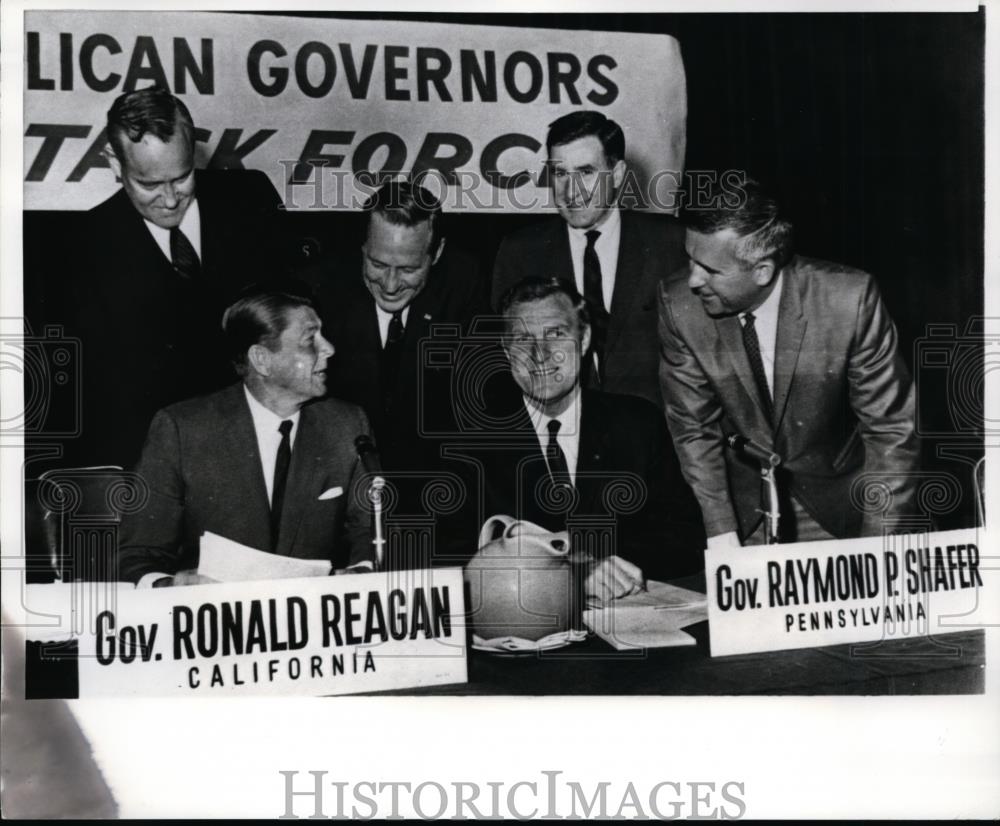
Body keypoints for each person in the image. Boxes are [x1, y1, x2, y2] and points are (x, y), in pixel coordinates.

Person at [658, 176, 920, 547]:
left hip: (840, 504)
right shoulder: (679, 305)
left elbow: (891, 430)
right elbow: (693, 428)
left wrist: (879, 546)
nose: (693, 280)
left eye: (711, 270)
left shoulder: (848, 300)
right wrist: (721, 532)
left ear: (762, 270)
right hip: (742, 509)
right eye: (690, 260)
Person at [446, 277, 706, 593]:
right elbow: (452, 553)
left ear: (583, 340)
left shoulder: (637, 424)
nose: (539, 354)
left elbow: (684, 537)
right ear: (506, 350)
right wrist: (570, 573)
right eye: (523, 339)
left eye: (555, 334)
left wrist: (606, 563)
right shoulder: (470, 442)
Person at [73, 85, 285, 468]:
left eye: (183, 177)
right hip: (156, 464)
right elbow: (98, 400)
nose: (170, 200)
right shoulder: (86, 246)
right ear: (115, 164)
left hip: (260, 451)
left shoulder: (252, 201)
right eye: (149, 184)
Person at [117, 288, 377, 586]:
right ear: (262, 359)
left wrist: (363, 572)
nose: (329, 348)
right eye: (310, 340)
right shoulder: (182, 429)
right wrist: (173, 585)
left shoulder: (346, 425)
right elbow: (136, 554)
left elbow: (371, 533)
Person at [305, 180, 491, 516]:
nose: (390, 286)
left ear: (437, 253)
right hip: (341, 486)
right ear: (363, 246)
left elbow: (472, 416)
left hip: (434, 490)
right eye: (377, 264)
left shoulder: (465, 283)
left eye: (408, 269)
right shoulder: (321, 288)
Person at [491, 110, 685, 409]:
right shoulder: (520, 252)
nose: (571, 192)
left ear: (617, 174)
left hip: (657, 427)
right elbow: (508, 358)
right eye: (560, 174)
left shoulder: (670, 243)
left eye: (585, 172)